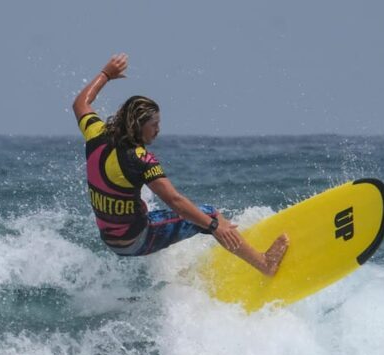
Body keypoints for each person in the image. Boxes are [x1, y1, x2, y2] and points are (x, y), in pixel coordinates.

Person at [72, 53, 288, 276]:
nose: (158, 130)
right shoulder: (141, 159)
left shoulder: (95, 132)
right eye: (154, 124)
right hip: (136, 240)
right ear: (138, 125)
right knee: (210, 215)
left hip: (111, 239)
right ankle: (264, 264)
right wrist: (214, 226)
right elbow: (175, 201)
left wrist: (106, 74)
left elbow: (80, 103)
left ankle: (203, 262)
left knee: (168, 214)